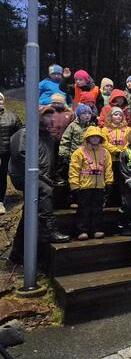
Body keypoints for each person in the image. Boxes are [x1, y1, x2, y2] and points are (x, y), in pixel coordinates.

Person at [9, 107, 69, 263]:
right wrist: (44, 178)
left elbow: (49, 159)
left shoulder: (48, 136)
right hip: (24, 175)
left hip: (41, 176)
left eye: (52, 115)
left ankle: (17, 252)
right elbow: (21, 157)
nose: (52, 118)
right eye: (47, 115)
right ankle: (49, 230)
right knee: (45, 191)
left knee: (29, 211)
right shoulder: (24, 133)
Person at [68, 126, 114, 240]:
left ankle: (97, 229)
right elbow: (74, 169)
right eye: (92, 137)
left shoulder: (105, 152)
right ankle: (82, 230)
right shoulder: (79, 152)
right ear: (87, 138)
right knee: (83, 209)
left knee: (98, 209)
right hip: (84, 186)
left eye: (97, 137)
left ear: (100, 138)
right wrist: (74, 185)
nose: (94, 139)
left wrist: (109, 182)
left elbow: (108, 168)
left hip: (99, 186)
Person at [102, 107, 130, 215]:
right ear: (110, 116)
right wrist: (116, 150)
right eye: (115, 115)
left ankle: (122, 202)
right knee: (109, 180)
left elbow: (129, 141)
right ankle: (107, 201)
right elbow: (104, 142)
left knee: (122, 181)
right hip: (110, 159)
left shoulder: (128, 129)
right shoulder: (105, 129)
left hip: (123, 159)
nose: (118, 117)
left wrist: (122, 151)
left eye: (120, 115)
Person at [58, 104, 94, 186]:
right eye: (84, 114)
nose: (87, 116)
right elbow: (66, 140)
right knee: (74, 175)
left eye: (89, 113)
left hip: (89, 157)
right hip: (74, 156)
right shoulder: (73, 126)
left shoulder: (92, 126)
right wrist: (64, 154)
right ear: (78, 115)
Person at [0, 93, 22, 214]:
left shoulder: (12, 117)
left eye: (1, 99)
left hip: (6, 153)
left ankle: (0, 202)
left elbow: (20, 135)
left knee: (2, 177)